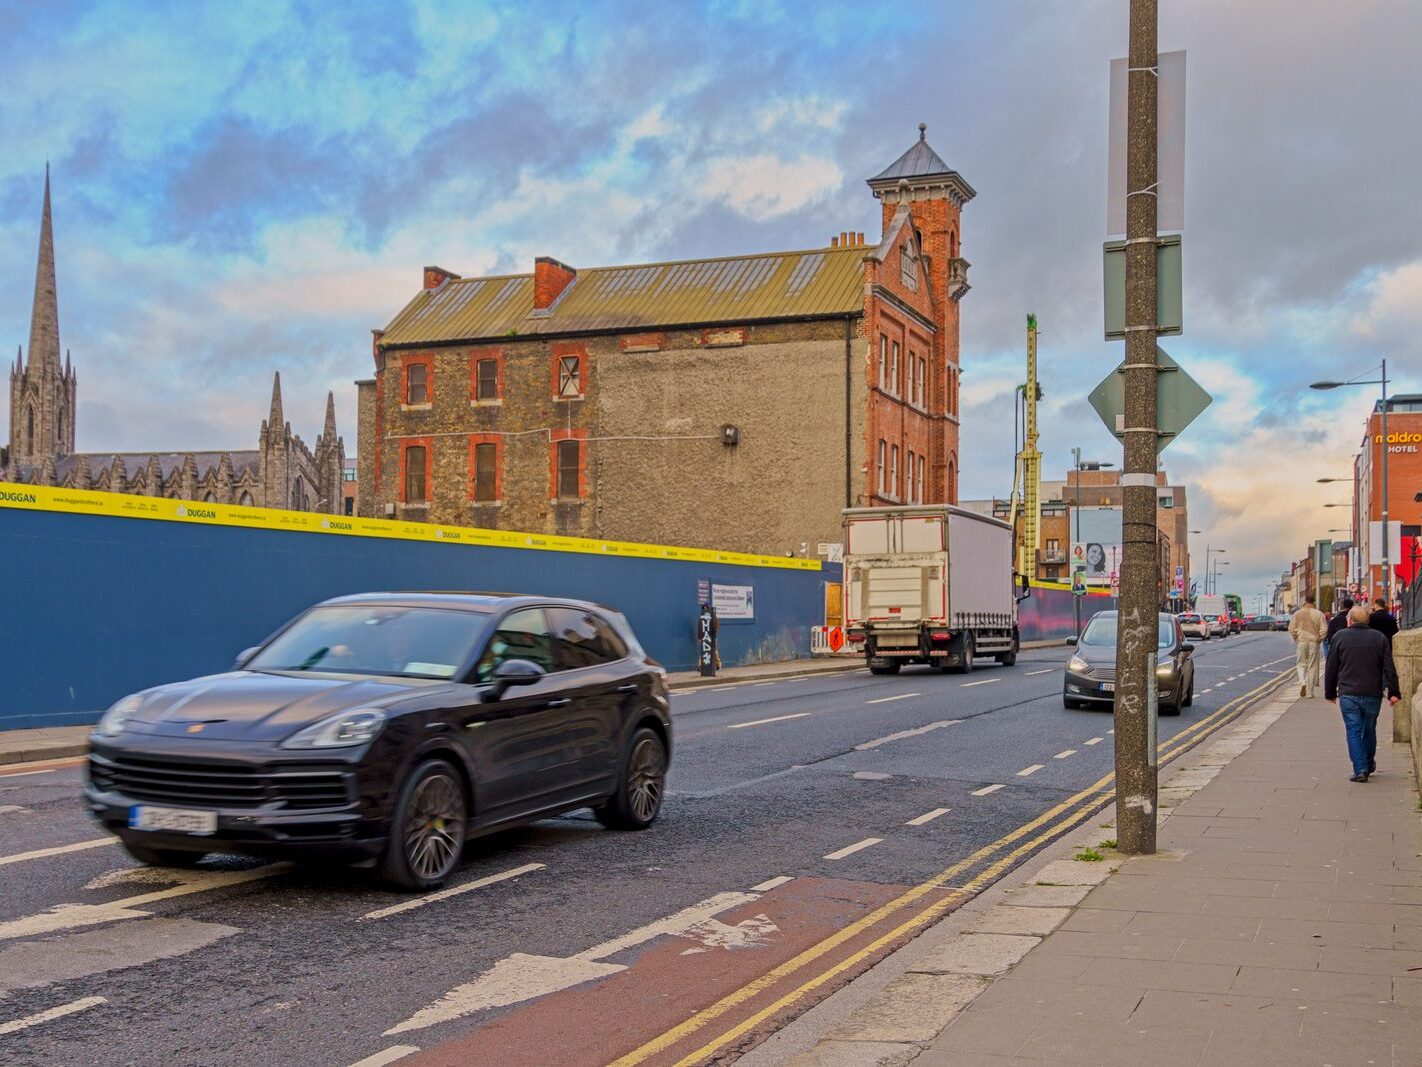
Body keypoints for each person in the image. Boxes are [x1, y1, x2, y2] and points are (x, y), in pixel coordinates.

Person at [1324, 604, 1400, 782]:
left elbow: (1331, 667)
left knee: (1353, 730)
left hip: (1348, 693)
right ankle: (1368, 762)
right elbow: (1389, 667)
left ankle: (1360, 769)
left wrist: (1330, 692)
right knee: (1369, 729)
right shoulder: (1379, 638)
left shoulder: (1339, 637)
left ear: (1349, 620)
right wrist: (1394, 692)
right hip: (1373, 692)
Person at [1288, 594, 1326, 698]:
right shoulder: (1319, 614)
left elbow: (1291, 628)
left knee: (1301, 664)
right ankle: (1310, 692)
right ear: (1313, 602)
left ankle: (1302, 681)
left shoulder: (1297, 614)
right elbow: (1324, 630)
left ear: (1305, 601)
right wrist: (1320, 639)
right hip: (1314, 641)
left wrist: (1296, 638)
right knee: (1312, 666)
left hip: (1302, 640)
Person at [1323, 597, 1354, 661]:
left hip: (1339, 645)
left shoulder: (1336, 619)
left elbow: (1330, 634)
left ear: (1343, 606)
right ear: (1352, 606)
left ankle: (1328, 659)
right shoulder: (1355, 618)